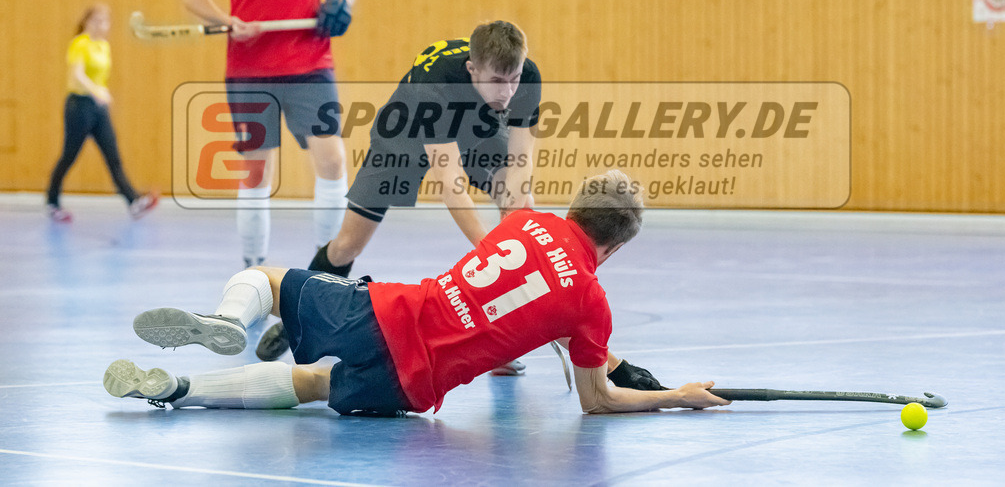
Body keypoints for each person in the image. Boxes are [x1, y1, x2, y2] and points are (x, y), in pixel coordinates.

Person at [104, 170, 729, 415]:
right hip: (415, 385)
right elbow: (596, 400)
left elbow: (528, 295)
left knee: (269, 278)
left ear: (575, 207)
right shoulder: (590, 305)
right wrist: (676, 395)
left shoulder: (523, 222)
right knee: (317, 386)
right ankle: (179, 391)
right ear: (616, 249)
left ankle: (228, 324)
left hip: (390, 314)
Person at [258, 19, 540, 375]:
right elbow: (450, 184)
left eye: (513, 79)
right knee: (348, 245)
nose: (508, 91)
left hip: (476, 124)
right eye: (498, 82)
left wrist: (513, 232)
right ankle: (295, 314)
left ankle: (501, 339)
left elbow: (521, 162)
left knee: (519, 199)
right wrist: (492, 252)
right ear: (472, 69)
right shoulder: (433, 86)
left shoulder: (525, 76)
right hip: (404, 132)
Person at [183, 0, 359, 267]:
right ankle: (253, 266)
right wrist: (226, 22)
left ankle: (327, 268)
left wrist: (342, 4)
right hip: (250, 69)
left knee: (333, 161)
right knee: (257, 171)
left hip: (310, 63)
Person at [45, 3, 159, 222]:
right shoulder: (80, 44)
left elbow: (100, 76)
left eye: (106, 21)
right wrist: (95, 90)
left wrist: (102, 92)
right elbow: (77, 74)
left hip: (98, 108)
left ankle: (133, 201)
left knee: (112, 154)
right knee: (69, 155)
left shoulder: (103, 46)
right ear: (88, 22)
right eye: (98, 20)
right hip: (79, 106)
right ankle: (52, 201)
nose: (102, 25)